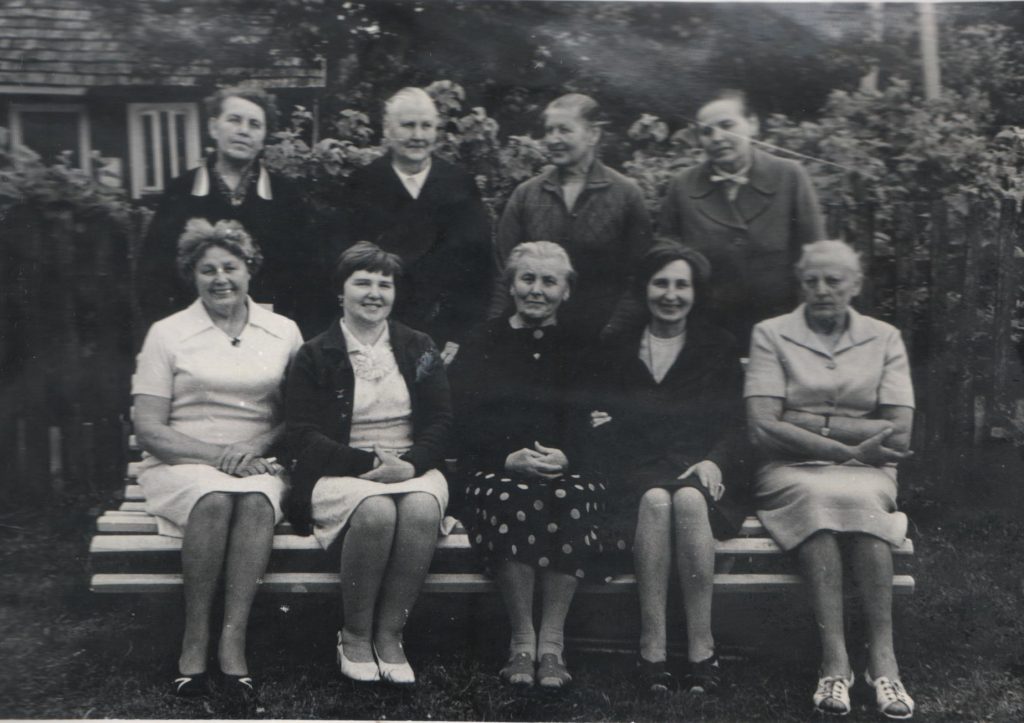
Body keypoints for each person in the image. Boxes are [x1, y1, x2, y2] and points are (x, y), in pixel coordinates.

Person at [132, 218, 303, 698]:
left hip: (260, 464)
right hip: (182, 463)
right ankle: (194, 638)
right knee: (213, 497)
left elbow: (300, 415)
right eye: (207, 270)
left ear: (250, 269)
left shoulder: (283, 331)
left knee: (254, 501)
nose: (220, 278)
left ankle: (233, 641)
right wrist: (219, 456)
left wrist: (259, 447)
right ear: (192, 275)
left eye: (230, 267)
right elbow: (149, 429)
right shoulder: (167, 333)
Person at [745, 240, 915, 719]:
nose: (822, 289)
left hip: (868, 471)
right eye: (811, 281)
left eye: (834, 280)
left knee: (861, 504)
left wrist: (802, 420)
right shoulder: (771, 334)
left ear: (855, 285)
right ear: (800, 285)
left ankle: (884, 661)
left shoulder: (884, 337)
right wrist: (846, 444)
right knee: (818, 501)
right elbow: (762, 428)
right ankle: (834, 662)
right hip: (789, 471)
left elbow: (900, 432)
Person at [585, 242, 749, 695]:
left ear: (695, 292)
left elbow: (736, 422)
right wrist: (615, 427)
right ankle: (652, 644)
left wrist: (715, 460)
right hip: (634, 471)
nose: (671, 295)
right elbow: (597, 419)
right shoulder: (617, 345)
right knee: (657, 499)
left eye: (682, 285)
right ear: (644, 288)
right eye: (661, 283)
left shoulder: (718, 345)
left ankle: (702, 644)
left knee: (689, 498)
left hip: (700, 469)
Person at [284, 242, 451, 686]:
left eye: (384, 284)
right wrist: (367, 463)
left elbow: (441, 420)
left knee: (421, 509)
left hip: (410, 467)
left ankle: (391, 634)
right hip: (339, 470)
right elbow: (302, 433)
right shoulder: (315, 353)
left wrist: (410, 465)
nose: (374, 293)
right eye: (363, 282)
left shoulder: (419, 346)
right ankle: (355, 634)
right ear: (340, 292)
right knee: (376, 511)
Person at [452, 241, 607, 690]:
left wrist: (569, 456)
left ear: (566, 290)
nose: (537, 289)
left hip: (569, 469)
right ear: (511, 285)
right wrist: (506, 458)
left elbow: (603, 419)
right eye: (528, 278)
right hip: (495, 469)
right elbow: (461, 419)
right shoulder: (482, 341)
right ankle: (522, 639)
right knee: (510, 496)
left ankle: (552, 643)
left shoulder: (585, 345)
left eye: (549, 281)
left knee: (570, 496)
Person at [138, 86, 329, 337]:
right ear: (213, 127)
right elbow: (154, 275)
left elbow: (308, 278)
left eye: (254, 124)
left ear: (264, 137)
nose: (243, 131)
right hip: (196, 333)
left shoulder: (286, 197)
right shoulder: (181, 192)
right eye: (234, 120)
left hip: (269, 334)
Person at [331, 87, 494, 363]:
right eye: (408, 125)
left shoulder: (459, 184)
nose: (418, 135)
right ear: (388, 130)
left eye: (426, 126)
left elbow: (479, 270)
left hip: (445, 336)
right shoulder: (363, 184)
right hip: (376, 331)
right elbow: (345, 266)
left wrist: (459, 336)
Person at [658, 89, 825, 344]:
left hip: (781, 327)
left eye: (727, 126)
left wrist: (806, 329)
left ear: (752, 124)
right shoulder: (682, 186)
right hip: (708, 330)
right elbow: (666, 260)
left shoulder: (790, 176)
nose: (717, 138)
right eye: (706, 131)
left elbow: (815, 257)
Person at [489, 93, 654, 346]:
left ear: (593, 134)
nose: (553, 139)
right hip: (530, 340)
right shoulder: (526, 194)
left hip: (600, 342)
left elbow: (639, 278)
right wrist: (494, 333)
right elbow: (504, 272)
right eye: (549, 130)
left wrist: (613, 334)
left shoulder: (627, 195)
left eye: (564, 130)